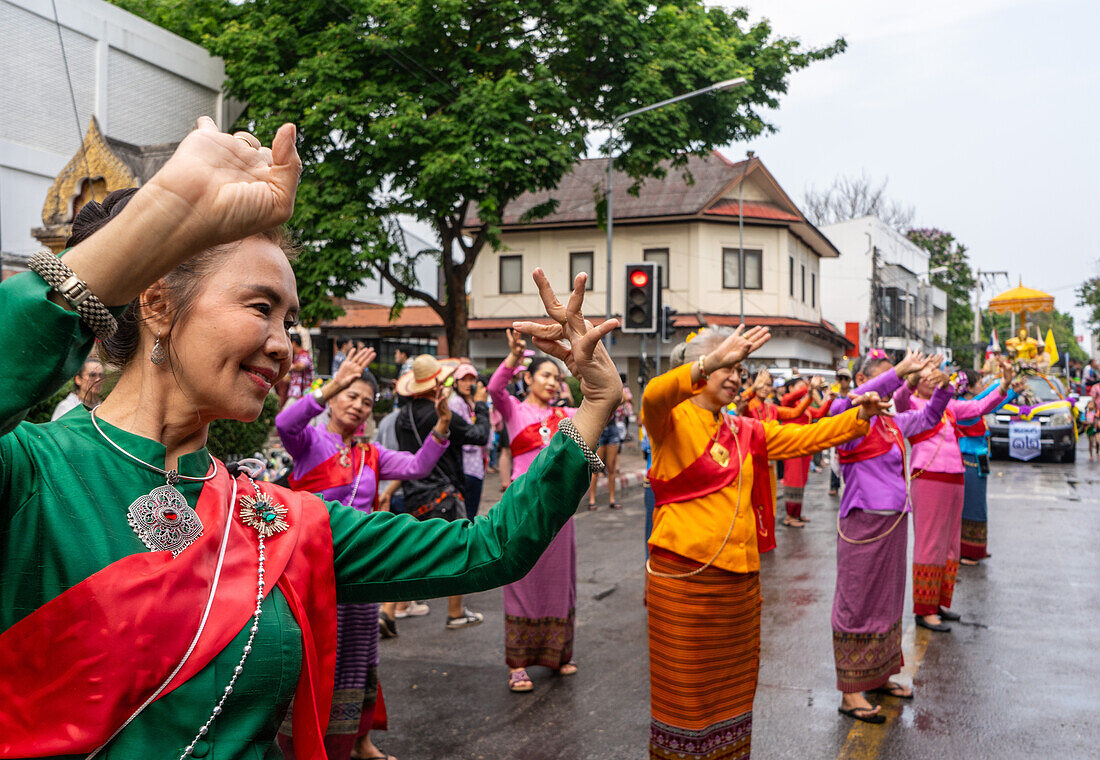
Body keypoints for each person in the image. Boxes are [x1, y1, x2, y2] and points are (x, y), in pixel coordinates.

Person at [0, 118, 623, 758]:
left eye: (290, 321)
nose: (285, 346)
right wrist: (170, 208)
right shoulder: (29, 475)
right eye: (261, 307)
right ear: (158, 306)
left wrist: (597, 403)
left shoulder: (277, 522)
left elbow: (489, 549)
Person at [643, 325, 893, 760]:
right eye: (728, 364)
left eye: (741, 367)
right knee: (684, 694)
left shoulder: (743, 429)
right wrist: (711, 361)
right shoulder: (671, 418)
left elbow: (806, 438)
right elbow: (652, 394)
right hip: (685, 580)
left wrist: (860, 417)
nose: (736, 374)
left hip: (739, 581)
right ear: (699, 367)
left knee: (733, 689)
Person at [274, 345, 449, 760]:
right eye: (351, 396)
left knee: (359, 655)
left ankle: (356, 740)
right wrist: (336, 379)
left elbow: (416, 467)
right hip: (312, 573)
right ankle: (307, 743)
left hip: (360, 572)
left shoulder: (370, 454)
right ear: (332, 400)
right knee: (313, 657)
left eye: (366, 402)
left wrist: (442, 426)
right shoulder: (309, 443)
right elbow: (284, 421)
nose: (358, 406)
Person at [828, 350, 948, 724]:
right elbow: (845, 404)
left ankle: (879, 676)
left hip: (894, 522)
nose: (890, 388)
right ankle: (850, 693)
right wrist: (899, 374)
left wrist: (941, 388)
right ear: (864, 381)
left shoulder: (890, 421)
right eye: (883, 380)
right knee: (857, 602)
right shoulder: (844, 416)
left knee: (886, 602)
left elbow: (928, 416)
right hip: (863, 522)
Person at [490, 328, 579, 692]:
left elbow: (605, 404)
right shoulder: (514, 409)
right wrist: (513, 358)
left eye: (557, 377)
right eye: (546, 375)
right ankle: (518, 664)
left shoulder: (569, 415)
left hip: (560, 510)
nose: (553, 382)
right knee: (521, 581)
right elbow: (495, 388)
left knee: (560, 583)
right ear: (528, 378)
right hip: (523, 507)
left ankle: (558, 655)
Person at [894, 360, 1013, 632]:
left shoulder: (949, 406)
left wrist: (1003, 386)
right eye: (927, 377)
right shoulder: (910, 404)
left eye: (935, 375)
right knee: (930, 542)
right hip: (929, 476)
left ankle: (937, 602)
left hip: (955, 476)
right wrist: (911, 378)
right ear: (916, 381)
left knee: (950, 544)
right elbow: (899, 398)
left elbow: (978, 407)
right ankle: (923, 610)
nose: (934, 379)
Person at [395, 354, 492, 630]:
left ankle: (393, 609)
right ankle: (455, 611)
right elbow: (479, 435)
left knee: (413, 551)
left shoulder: (404, 414)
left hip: (413, 491)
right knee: (457, 550)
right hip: (444, 491)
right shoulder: (441, 413)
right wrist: (482, 406)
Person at [956, 370, 1020, 566]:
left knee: (979, 507)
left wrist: (1011, 391)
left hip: (979, 460)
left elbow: (991, 403)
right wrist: (1003, 384)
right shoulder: (962, 407)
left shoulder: (973, 406)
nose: (982, 387)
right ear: (968, 387)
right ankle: (966, 552)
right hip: (968, 460)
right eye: (980, 383)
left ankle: (976, 549)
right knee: (971, 508)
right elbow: (985, 400)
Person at [778, 375, 835, 527]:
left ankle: (796, 514)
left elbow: (819, 413)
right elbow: (794, 399)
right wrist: (810, 387)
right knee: (793, 480)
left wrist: (829, 399)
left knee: (801, 480)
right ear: (790, 389)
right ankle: (789, 516)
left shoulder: (802, 405)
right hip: (792, 447)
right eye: (799, 386)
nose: (802, 389)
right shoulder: (787, 402)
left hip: (804, 447)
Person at [449, 363, 488, 519]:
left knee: (471, 514)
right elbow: (469, 436)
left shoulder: (473, 403)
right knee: (466, 516)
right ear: (455, 383)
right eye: (463, 379)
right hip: (465, 468)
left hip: (476, 467)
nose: (468, 384)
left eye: (472, 379)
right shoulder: (456, 403)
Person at [587, 380, 628, 510]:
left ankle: (612, 499)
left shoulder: (615, 387)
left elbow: (623, 399)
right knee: (596, 468)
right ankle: (592, 499)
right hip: (599, 430)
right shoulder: (596, 385)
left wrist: (615, 384)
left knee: (611, 467)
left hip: (612, 429)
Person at [828, 367, 853, 496]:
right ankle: (834, 485)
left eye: (845, 378)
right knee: (835, 459)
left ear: (850, 380)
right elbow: (827, 413)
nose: (843, 381)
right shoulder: (834, 396)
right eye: (840, 378)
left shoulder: (853, 396)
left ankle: (850, 484)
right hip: (837, 431)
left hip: (850, 431)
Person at [286, 332, 314, 403]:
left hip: (302, 394)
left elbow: (302, 366)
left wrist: (291, 367)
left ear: (293, 343)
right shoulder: (295, 356)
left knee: (286, 412)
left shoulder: (304, 354)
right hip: (296, 393)